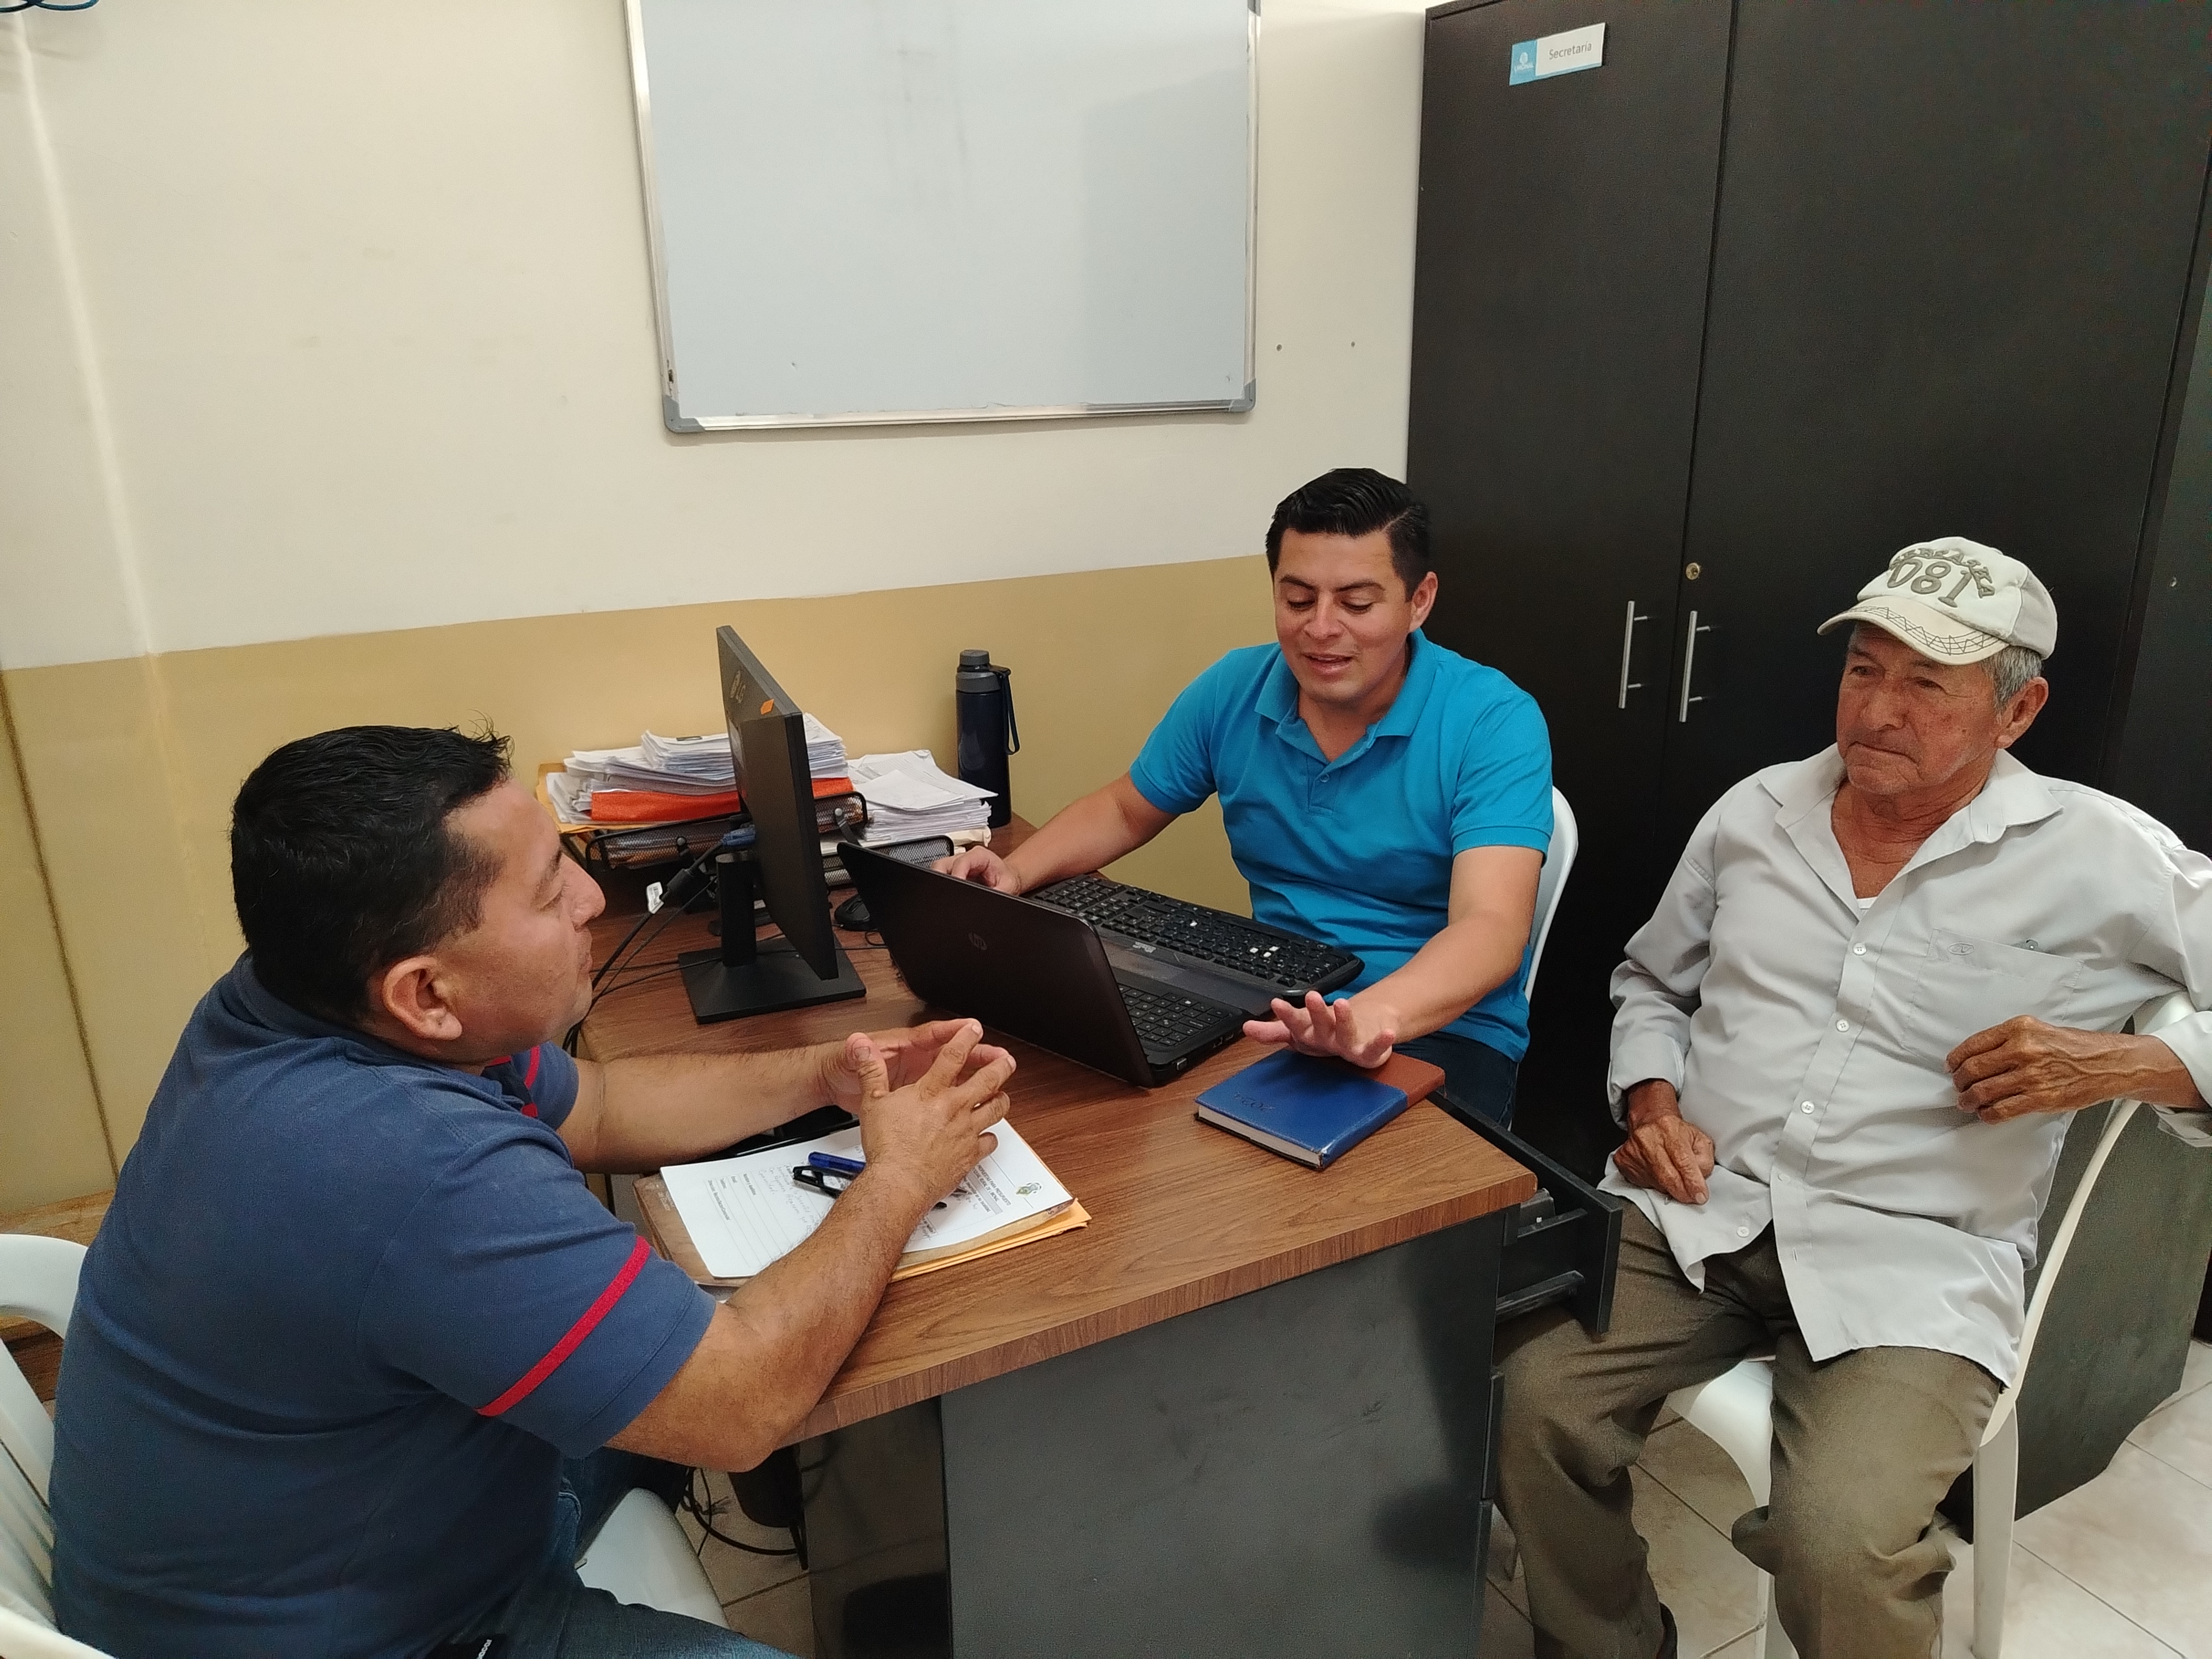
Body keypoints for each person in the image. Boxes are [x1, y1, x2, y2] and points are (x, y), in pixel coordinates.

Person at [50, 725, 1017, 1659]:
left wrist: (826, 1074)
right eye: (552, 890)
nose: (592, 901)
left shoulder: (303, 997)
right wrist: (900, 1175)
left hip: (332, 1521)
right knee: (727, 1392)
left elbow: (598, 1104)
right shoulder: (409, 1164)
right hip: (374, 1632)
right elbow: (740, 1406)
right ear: (426, 994)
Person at [1495, 538, 2212, 1659]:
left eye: (1926, 683)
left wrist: (2127, 1065)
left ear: (2016, 712)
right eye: (1863, 669)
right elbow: (1652, 981)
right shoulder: (1756, 814)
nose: (1877, 709)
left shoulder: (2100, 854)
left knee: (1839, 1538)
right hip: (1702, 1208)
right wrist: (1651, 1102)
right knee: (1523, 1397)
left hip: (1915, 1257)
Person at [945, 467, 1553, 1126]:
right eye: (1298, 600)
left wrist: (1373, 1015)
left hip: (1438, 1027)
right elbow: (1125, 808)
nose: (1321, 628)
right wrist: (1014, 873)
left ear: (1419, 600)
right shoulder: (1235, 687)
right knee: (1078, 1096)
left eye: (1356, 604)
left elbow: (1490, 927)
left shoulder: (1492, 720)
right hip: (1275, 998)